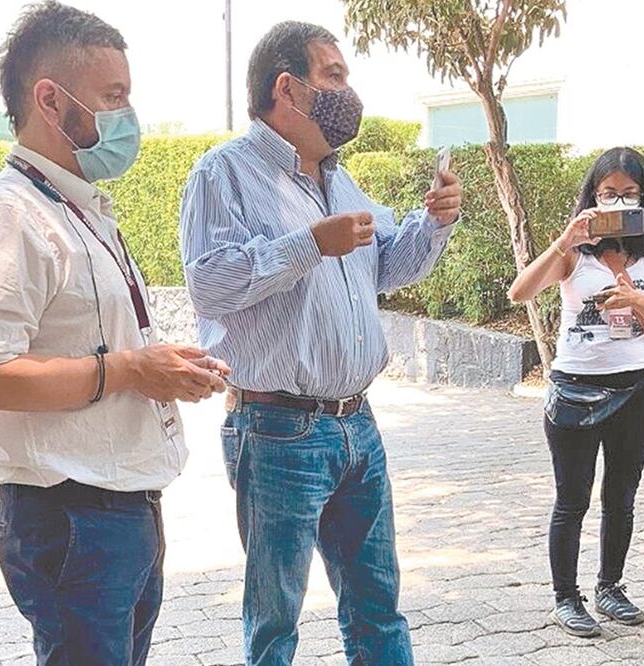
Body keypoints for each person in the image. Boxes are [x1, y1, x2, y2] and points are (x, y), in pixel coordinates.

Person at [0, 3, 229, 663]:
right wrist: (128, 370)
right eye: (113, 96)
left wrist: (157, 365)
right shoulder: (3, 221)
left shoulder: (72, 207)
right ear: (50, 99)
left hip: (118, 508)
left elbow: (89, 342)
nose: (129, 114)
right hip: (70, 517)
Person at [178, 21, 462, 665]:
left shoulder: (340, 179)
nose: (347, 91)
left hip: (357, 425)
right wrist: (311, 244)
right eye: (333, 76)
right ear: (289, 88)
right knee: (275, 623)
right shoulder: (222, 173)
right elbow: (210, 283)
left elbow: (389, 263)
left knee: (378, 608)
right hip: (277, 429)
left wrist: (434, 221)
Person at [508, 147, 644, 638]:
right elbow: (520, 293)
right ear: (592, 197)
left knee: (621, 497)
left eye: (629, 194)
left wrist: (635, 298)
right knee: (572, 500)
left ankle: (610, 586)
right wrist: (564, 241)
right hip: (574, 392)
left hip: (638, 389)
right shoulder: (574, 252)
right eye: (608, 193)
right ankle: (567, 597)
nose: (618, 202)